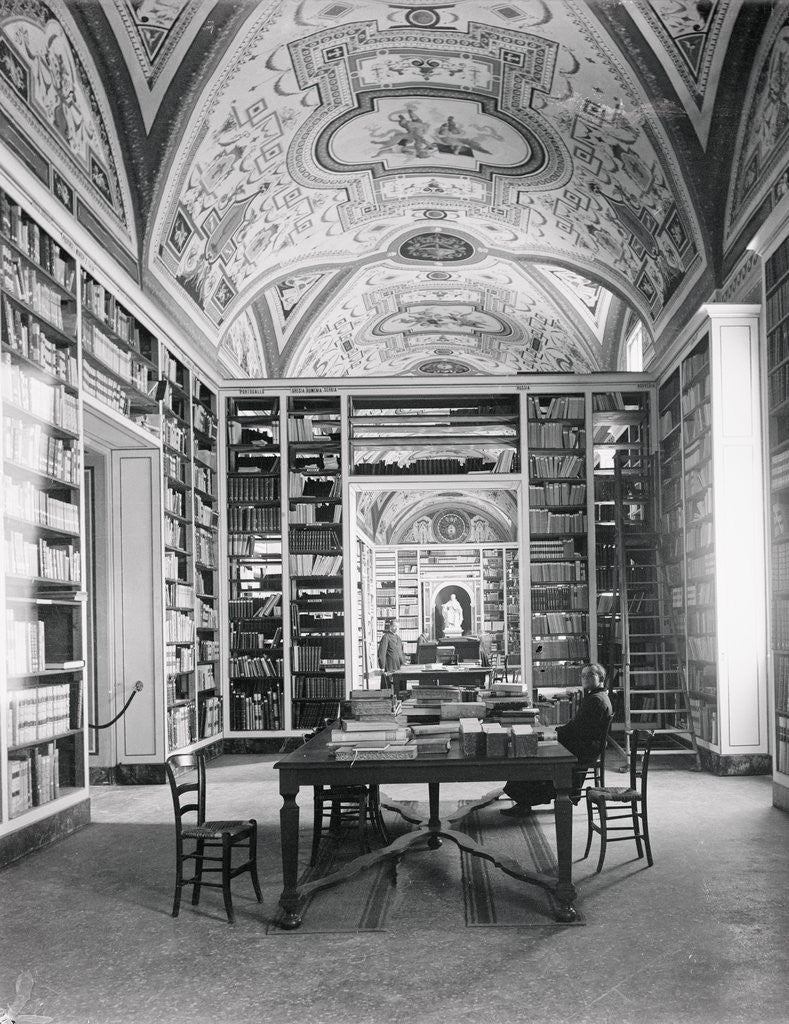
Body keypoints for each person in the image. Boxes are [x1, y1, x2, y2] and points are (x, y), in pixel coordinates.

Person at [501, 663, 613, 817]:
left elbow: (578, 730)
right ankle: (526, 801)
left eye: (590, 675)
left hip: (583, 748)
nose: (585, 678)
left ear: (600, 677)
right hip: (585, 744)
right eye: (583, 675)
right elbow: (577, 727)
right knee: (541, 747)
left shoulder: (596, 700)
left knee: (537, 756)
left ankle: (526, 802)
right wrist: (557, 731)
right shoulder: (597, 696)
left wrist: (554, 733)